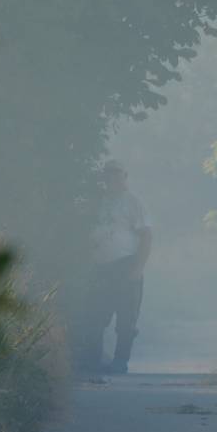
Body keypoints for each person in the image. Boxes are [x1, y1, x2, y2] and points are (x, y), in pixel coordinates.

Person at [77, 159, 151, 375]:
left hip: (126, 265)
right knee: (96, 316)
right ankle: (93, 361)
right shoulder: (99, 202)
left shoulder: (133, 202)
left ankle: (120, 363)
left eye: (117, 174)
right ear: (104, 178)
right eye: (109, 174)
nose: (113, 178)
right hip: (101, 267)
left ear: (125, 177)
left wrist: (138, 268)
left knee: (126, 319)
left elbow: (147, 236)